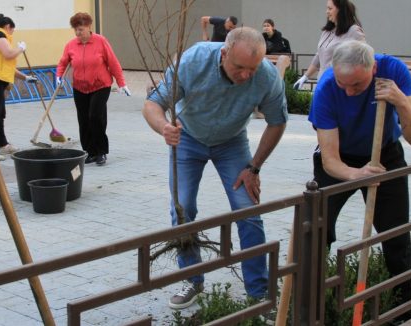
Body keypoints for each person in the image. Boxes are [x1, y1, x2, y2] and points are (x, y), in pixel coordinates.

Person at [143, 27, 288, 309]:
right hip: (187, 139)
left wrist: (254, 167)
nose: (246, 75)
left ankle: (259, 293)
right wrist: (164, 128)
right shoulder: (193, 61)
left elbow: (277, 121)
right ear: (224, 54)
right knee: (182, 208)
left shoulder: (267, 76)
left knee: (248, 211)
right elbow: (152, 104)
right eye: (239, 67)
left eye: (252, 69)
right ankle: (192, 279)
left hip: (232, 143)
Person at [308, 40, 411, 303]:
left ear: (372, 70)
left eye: (357, 85)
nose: (349, 92)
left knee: (395, 233)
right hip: (340, 159)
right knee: (317, 227)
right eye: (343, 84)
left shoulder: (392, 71)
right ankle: (315, 302)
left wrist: (400, 101)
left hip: (385, 153)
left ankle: (404, 304)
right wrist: (356, 174)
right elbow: (330, 160)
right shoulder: (327, 88)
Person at [56, 12, 130, 166]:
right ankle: (89, 152)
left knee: (96, 117)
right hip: (80, 87)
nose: (78, 33)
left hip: (100, 86)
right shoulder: (71, 45)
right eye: (76, 30)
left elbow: (113, 62)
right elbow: (63, 62)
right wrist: (59, 75)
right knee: (83, 120)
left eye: (81, 29)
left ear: (89, 27)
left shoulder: (100, 41)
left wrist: (121, 83)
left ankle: (101, 151)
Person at [0, 13, 37, 161]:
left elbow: (7, 64)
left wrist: (26, 78)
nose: (11, 34)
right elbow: (9, 54)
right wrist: (21, 48)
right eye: (12, 31)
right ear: (7, 26)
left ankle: (3, 145)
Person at [293, 0, 366, 90]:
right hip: (322, 83)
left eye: (330, 8)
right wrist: (305, 77)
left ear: (341, 10)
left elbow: (363, 59)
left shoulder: (353, 31)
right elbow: (319, 56)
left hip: (340, 87)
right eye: (327, 8)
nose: (327, 11)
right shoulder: (327, 31)